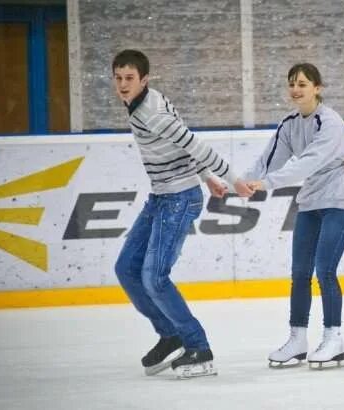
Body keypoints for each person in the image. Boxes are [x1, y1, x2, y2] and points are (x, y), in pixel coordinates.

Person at [112, 49, 250, 379]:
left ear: (144, 80)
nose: (122, 84)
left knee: (154, 277)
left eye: (129, 78)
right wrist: (206, 178)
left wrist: (232, 180)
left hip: (179, 199)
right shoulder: (143, 102)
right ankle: (170, 334)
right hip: (161, 197)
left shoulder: (152, 112)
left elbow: (194, 144)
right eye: (118, 78)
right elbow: (181, 145)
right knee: (127, 269)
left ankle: (198, 346)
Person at [243, 63, 344, 368]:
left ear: (317, 88)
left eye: (303, 84)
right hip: (310, 201)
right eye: (292, 84)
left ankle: (333, 338)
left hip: (339, 198)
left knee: (325, 270)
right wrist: (239, 183)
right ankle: (297, 339)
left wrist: (267, 184)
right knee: (299, 272)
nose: (296, 90)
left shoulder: (330, 122)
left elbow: (307, 162)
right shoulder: (290, 124)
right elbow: (269, 160)